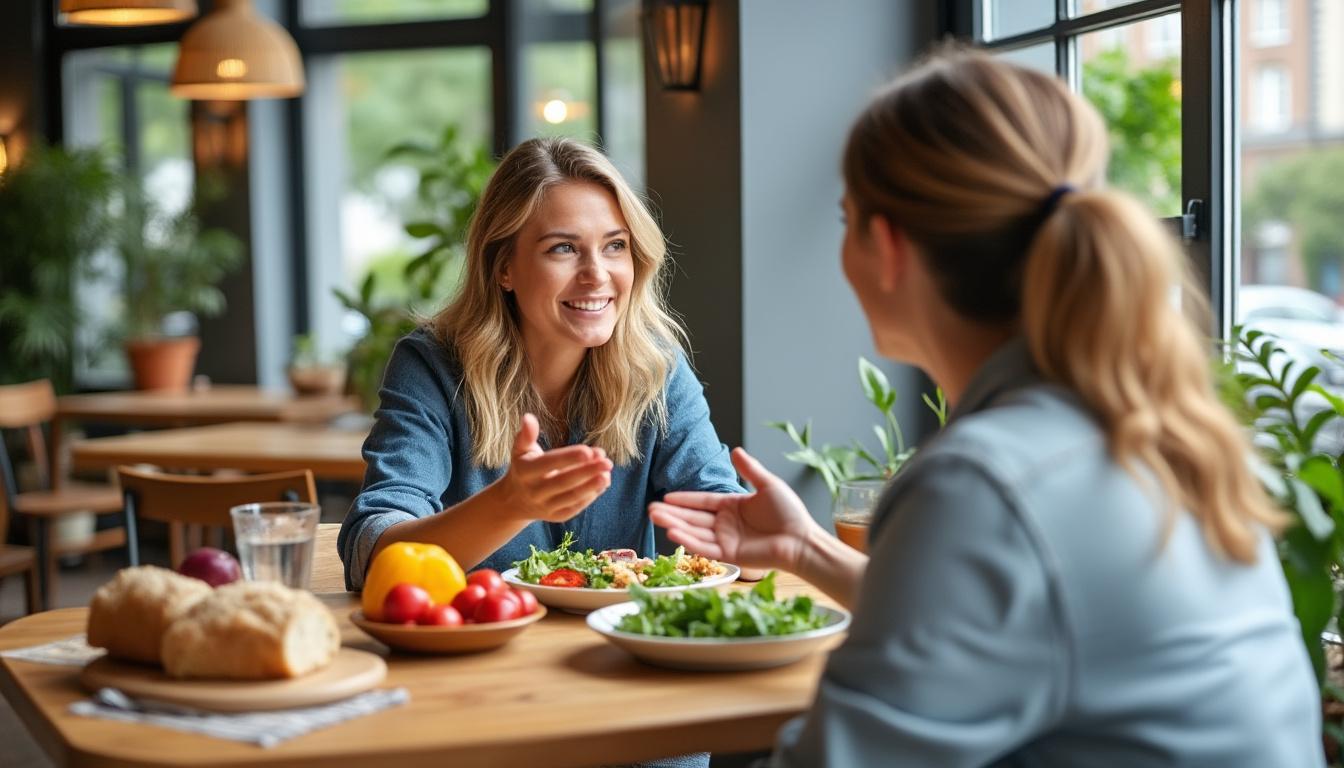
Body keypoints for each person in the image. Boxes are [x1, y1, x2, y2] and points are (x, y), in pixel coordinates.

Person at [650, 49, 1323, 767]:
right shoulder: (1146, 427)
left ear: (887, 247)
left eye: (847, 219)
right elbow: (1027, 627)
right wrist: (807, 550)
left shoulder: (983, 484)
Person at [338, 136, 743, 592]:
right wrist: (510, 503)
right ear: (503, 267)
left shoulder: (655, 367)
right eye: (563, 249)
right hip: (478, 651)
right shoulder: (432, 366)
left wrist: (764, 533)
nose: (597, 274)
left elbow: (722, 513)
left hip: (618, 655)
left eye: (615, 246)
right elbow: (371, 557)